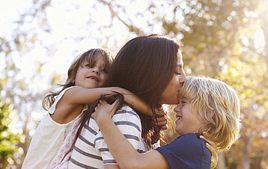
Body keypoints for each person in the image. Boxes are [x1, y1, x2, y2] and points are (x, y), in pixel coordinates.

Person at [67, 34, 186, 169]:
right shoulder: (123, 116)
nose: (184, 79)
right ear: (150, 74)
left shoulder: (135, 117)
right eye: (177, 71)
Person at [21, 48, 148, 169]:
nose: (96, 71)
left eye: (104, 70)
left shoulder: (90, 111)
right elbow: (118, 93)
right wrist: (150, 111)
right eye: (89, 65)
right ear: (73, 76)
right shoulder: (69, 95)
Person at [94, 76, 241, 169]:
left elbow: (133, 164)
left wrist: (104, 120)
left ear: (208, 112)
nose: (176, 108)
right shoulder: (199, 148)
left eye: (183, 103)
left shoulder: (192, 145)